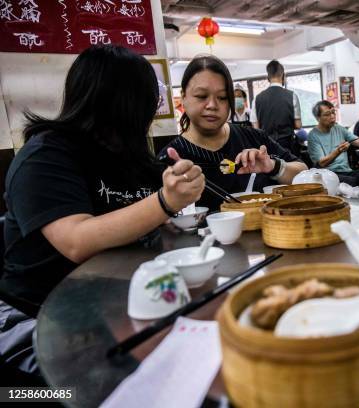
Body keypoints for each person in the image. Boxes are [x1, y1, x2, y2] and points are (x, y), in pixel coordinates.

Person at [0, 45, 204, 378]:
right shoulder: (45, 156)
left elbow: (161, 212)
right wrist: (165, 202)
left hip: (111, 304)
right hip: (34, 318)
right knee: (97, 389)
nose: (154, 111)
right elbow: (77, 240)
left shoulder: (129, 156)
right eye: (150, 100)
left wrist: (181, 183)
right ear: (125, 102)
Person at [159, 56, 307, 211]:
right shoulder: (171, 159)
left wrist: (273, 166)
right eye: (202, 96)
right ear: (183, 97)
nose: (212, 105)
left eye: (222, 97)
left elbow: (303, 173)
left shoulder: (254, 138)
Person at [307, 100, 359, 188]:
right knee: (355, 182)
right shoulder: (313, 135)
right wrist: (338, 151)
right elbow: (322, 163)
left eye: (333, 112)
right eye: (327, 114)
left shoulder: (339, 128)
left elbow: (356, 141)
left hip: (346, 171)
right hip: (327, 174)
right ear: (318, 118)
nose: (332, 116)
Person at [251, 60, 302, 152]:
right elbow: (298, 125)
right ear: (283, 75)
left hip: (267, 146)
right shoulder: (292, 96)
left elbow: (256, 128)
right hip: (287, 145)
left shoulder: (257, 98)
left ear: (268, 77)